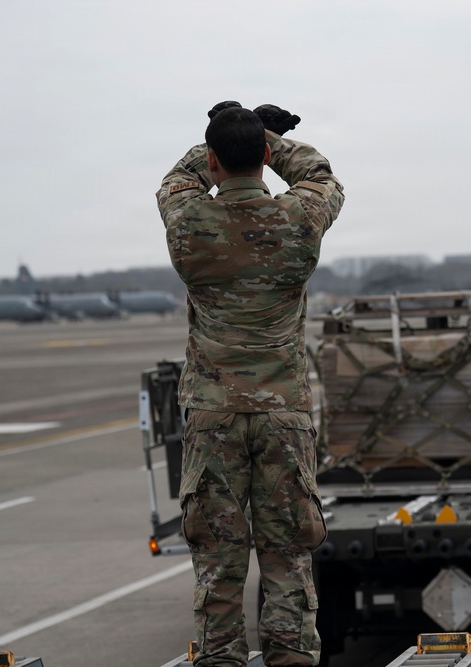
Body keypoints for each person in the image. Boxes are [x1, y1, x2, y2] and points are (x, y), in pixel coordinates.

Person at [156, 102, 344, 666]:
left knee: (217, 557)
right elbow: (319, 175)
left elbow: (178, 179)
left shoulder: (188, 222)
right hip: (283, 413)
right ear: (264, 157)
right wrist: (269, 135)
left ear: (213, 159)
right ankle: (290, 656)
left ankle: (222, 659)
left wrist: (217, 138)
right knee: (288, 551)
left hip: (212, 414)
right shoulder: (299, 218)